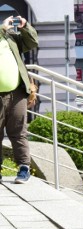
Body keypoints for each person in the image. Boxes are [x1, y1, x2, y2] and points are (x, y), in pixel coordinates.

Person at [0, 15, 38, 184]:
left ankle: (24, 168)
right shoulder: (3, 31)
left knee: (18, 132)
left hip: (17, 93)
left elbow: (32, 42)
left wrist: (24, 26)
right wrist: (2, 27)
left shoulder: (11, 38)